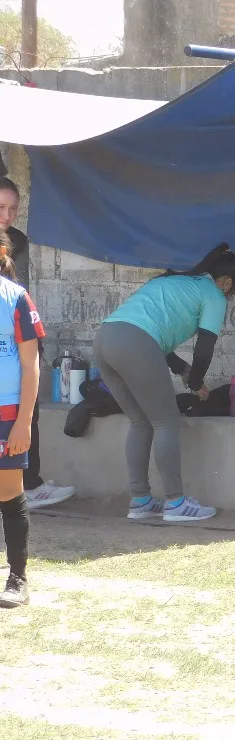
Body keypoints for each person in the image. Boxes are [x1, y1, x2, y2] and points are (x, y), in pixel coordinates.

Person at [93, 243, 235, 523]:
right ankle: (176, 503)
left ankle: (140, 500)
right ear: (226, 283)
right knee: (166, 421)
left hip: (105, 339)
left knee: (140, 422)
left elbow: (152, 333)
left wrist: (183, 370)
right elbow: (204, 348)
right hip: (135, 343)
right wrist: (196, 382)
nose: (232, 296)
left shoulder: (177, 280)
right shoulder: (214, 296)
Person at [0, 177, 75, 510]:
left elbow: (18, 294)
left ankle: (30, 483)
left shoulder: (16, 242)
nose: (7, 215)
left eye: (13, 209)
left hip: (17, 347)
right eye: (1, 208)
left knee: (27, 415)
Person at [0, 232, 43, 608]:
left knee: (8, 492)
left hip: (7, 414)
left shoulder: (15, 298)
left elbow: (31, 366)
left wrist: (23, 422)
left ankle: (17, 578)